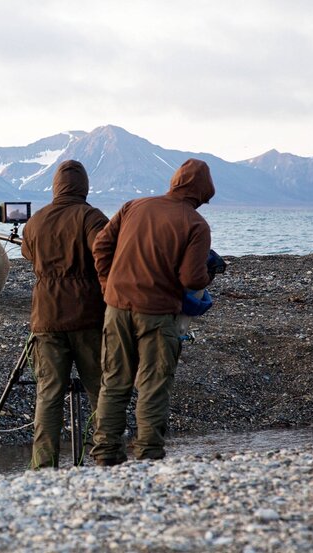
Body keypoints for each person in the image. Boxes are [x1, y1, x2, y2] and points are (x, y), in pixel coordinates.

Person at [90, 158, 215, 465]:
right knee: (153, 385)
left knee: (114, 382)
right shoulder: (196, 224)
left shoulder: (134, 206)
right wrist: (208, 275)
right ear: (201, 192)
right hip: (158, 315)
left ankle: (106, 455)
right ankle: (148, 455)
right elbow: (191, 279)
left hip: (116, 308)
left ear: (175, 182)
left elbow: (100, 246)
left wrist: (108, 285)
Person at [21, 160, 109, 468]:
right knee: (101, 390)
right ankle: (104, 458)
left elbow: (28, 253)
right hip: (88, 318)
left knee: (48, 394)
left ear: (56, 186)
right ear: (84, 186)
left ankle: (43, 467)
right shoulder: (91, 217)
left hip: (45, 318)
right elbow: (104, 252)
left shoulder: (35, 222)